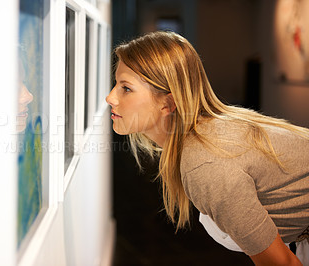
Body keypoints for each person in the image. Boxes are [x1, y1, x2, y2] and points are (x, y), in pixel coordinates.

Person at [106, 31, 309, 265]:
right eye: (116, 84)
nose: (110, 97)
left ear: (168, 103)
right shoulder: (208, 135)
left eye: (126, 88)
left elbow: (282, 264)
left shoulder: (206, 162)